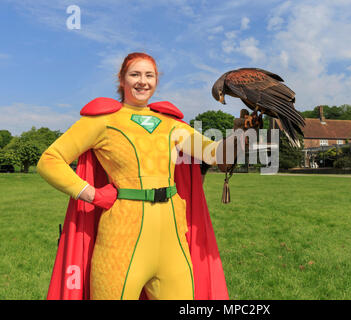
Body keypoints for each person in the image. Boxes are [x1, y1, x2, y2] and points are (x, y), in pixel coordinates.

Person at [37, 52, 244, 300]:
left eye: (149, 75)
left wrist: (242, 133)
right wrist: (91, 193)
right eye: (135, 74)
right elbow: (50, 160)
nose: (142, 81)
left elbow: (214, 154)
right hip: (120, 239)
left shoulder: (171, 123)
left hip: (172, 240)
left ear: (157, 81)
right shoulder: (102, 121)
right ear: (121, 80)